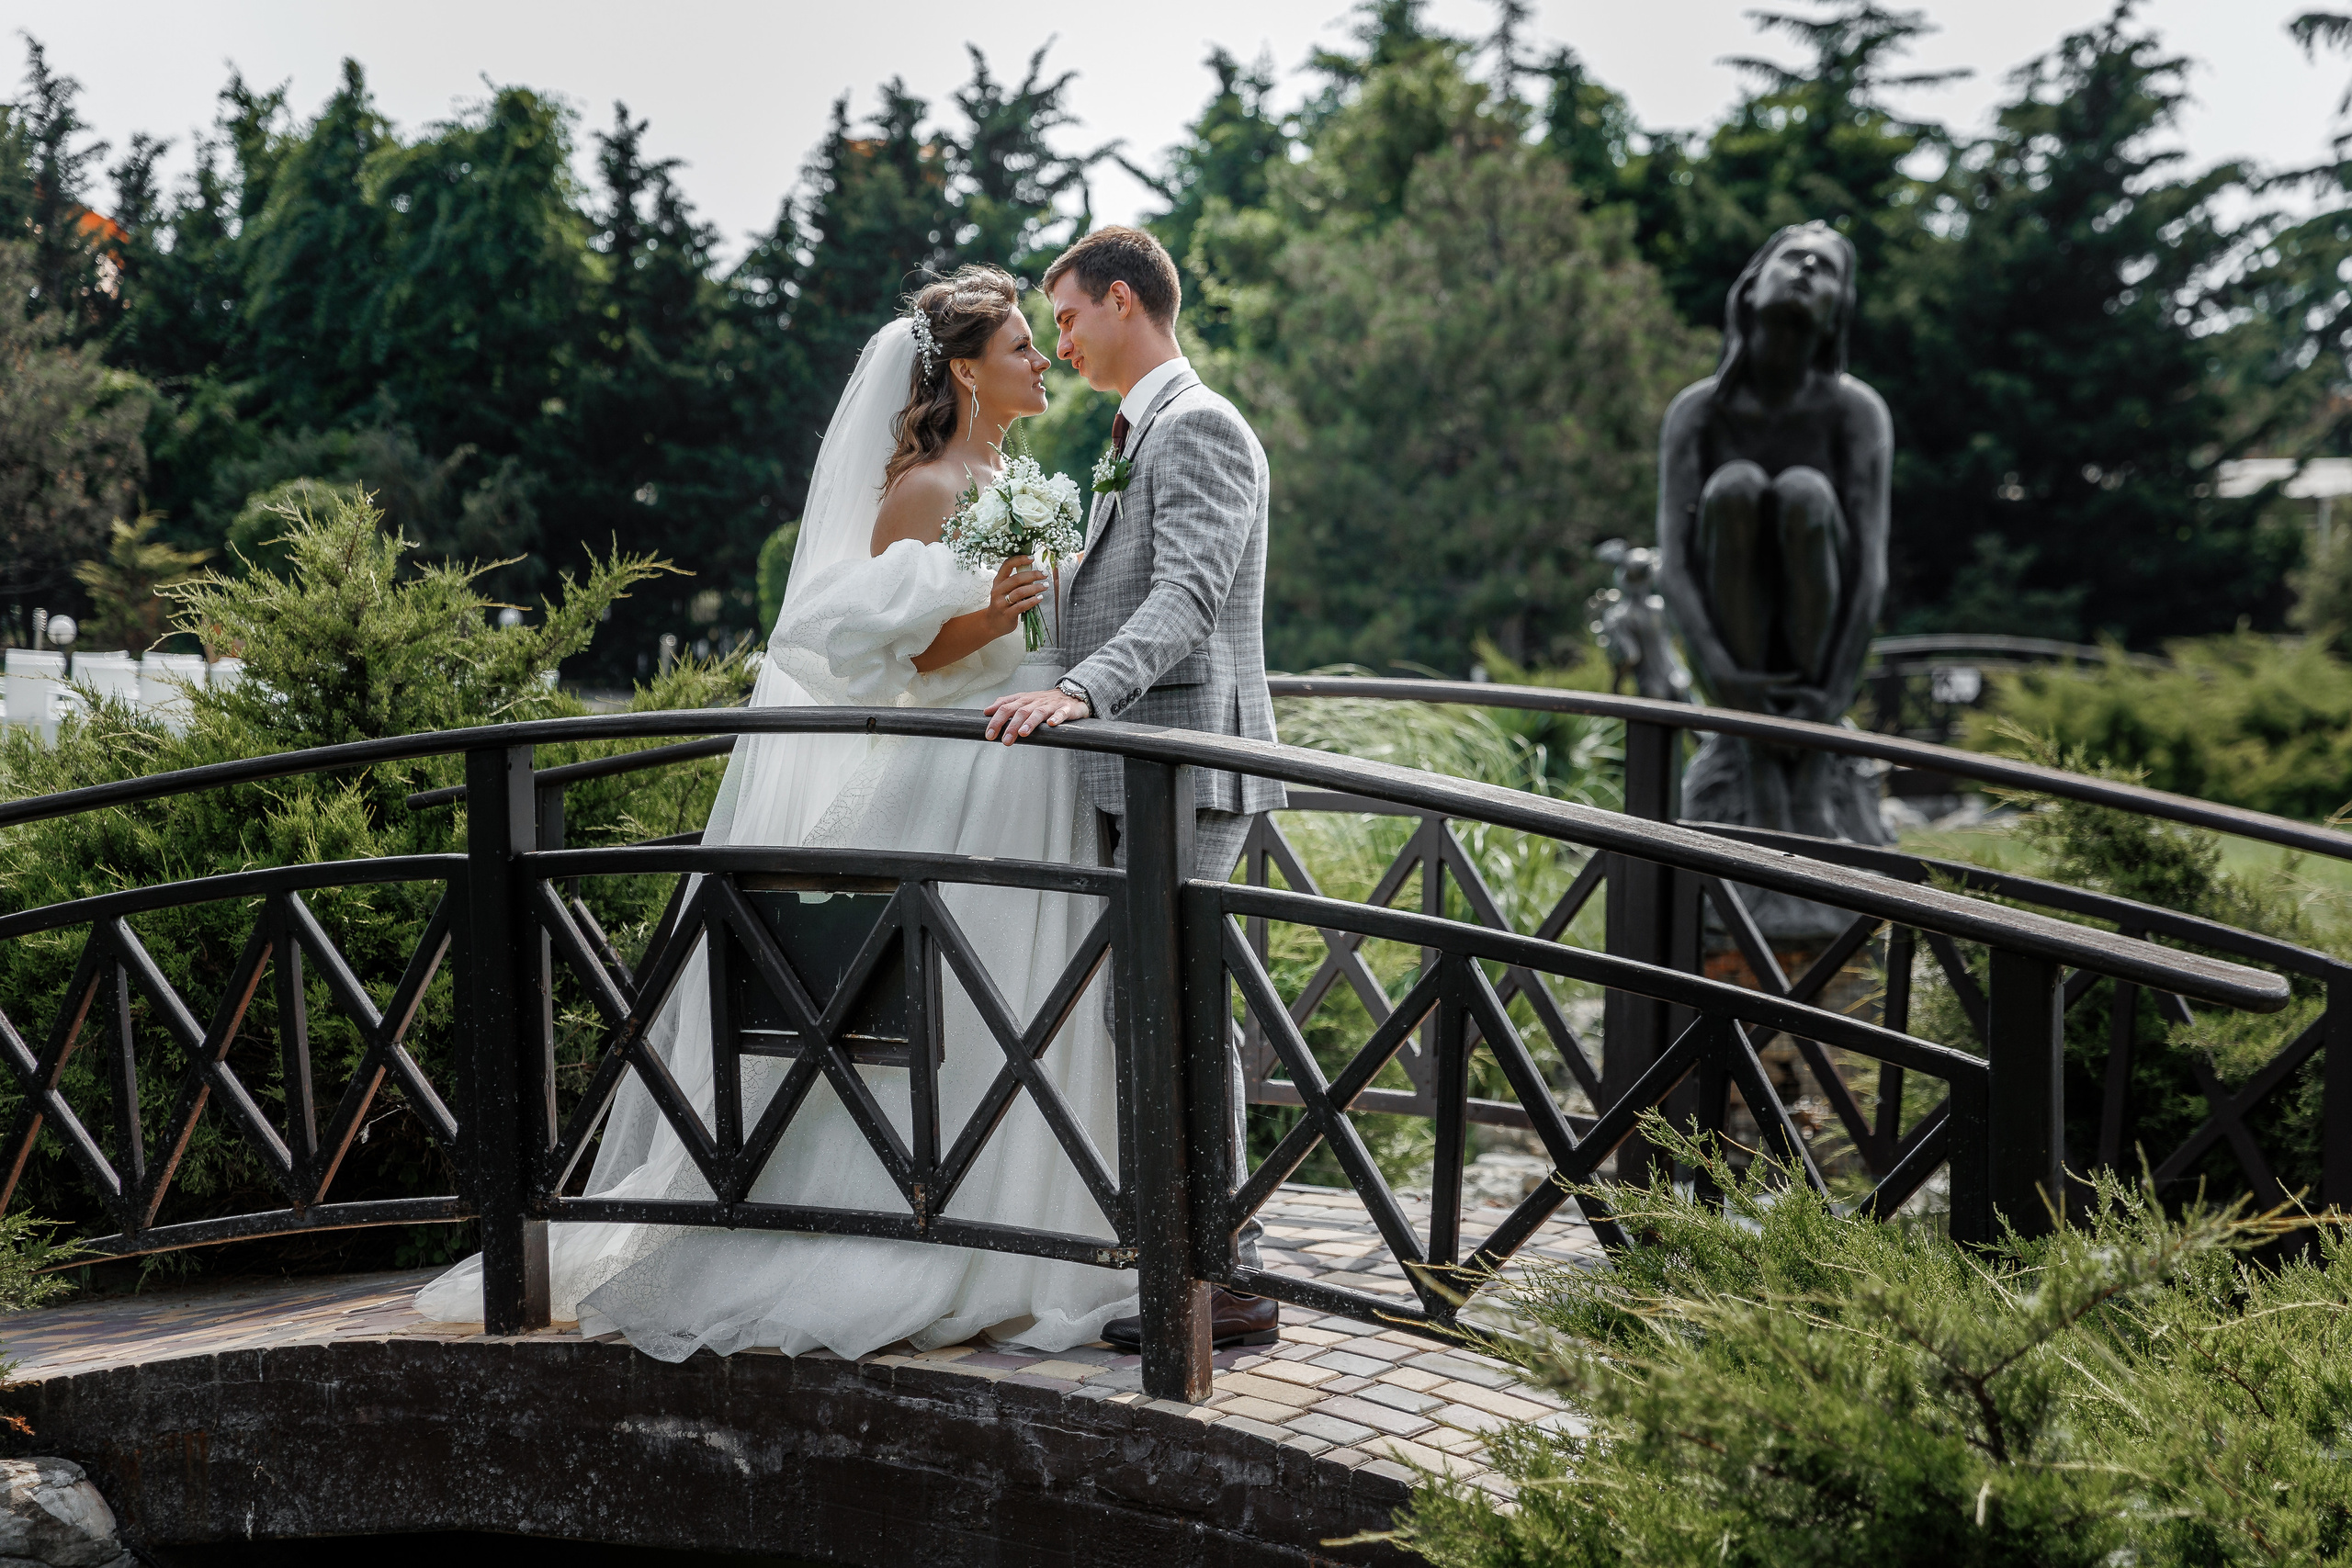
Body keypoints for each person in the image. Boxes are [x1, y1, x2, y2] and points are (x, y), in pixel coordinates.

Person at [416, 265, 1145, 1359]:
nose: (1039, 359)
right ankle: (909, 1229)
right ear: (961, 368)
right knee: (960, 1007)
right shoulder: (927, 488)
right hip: (969, 768)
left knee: (1037, 996)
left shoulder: (1013, 471)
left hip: (1036, 762)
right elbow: (893, 660)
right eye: (1017, 348)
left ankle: (1031, 1233)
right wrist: (989, 618)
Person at [981, 224, 1284, 1350]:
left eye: (1064, 317)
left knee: (1176, 1013)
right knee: (1150, 1012)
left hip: (1186, 769)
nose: (1058, 341)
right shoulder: (1131, 433)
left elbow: (1189, 597)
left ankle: (1227, 1276)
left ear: (1121, 300)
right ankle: (1193, 1258)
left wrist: (1081, 693)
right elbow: (1119, 588)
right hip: (1137, 771)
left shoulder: (1198, 426)